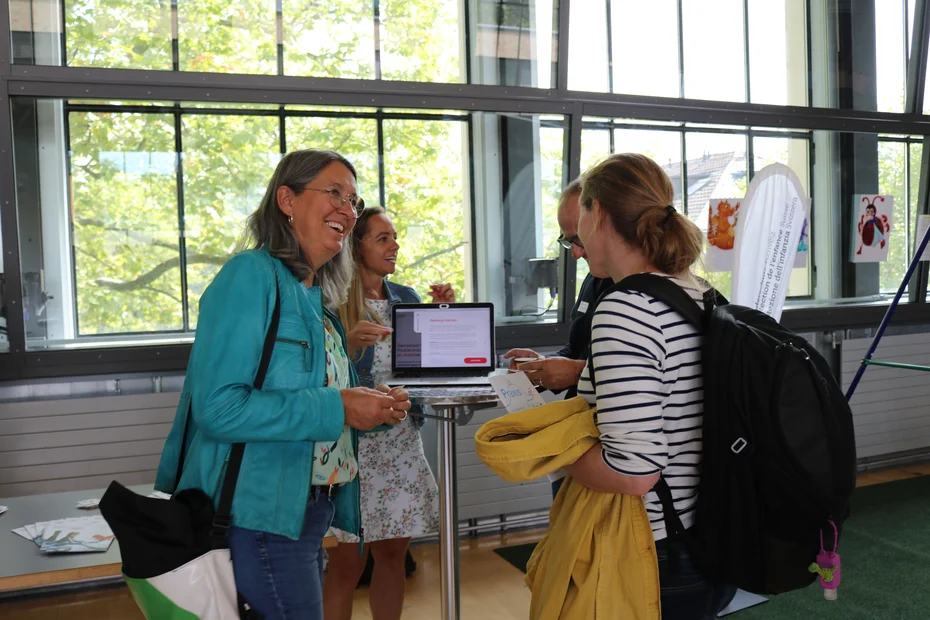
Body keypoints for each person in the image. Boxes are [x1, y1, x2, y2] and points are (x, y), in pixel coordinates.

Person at [154, 149, 411, 620]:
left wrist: (372, 410)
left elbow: (322, 407)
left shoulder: (315, 301)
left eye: (353, 200)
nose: (347, 210)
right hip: (258, 519)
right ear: (286, 200)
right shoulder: (250, 277)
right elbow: (219, 409)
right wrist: (339, 407)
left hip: (306, 512)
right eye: (334, 193)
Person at [563, 153, 735, 619]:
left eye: (578, 218)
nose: (575, 234)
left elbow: (634, 471)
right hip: (708, 538)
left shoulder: (626, 309)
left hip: (656, 554)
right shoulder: (697, 291)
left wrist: (550, 451)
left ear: (597, 212)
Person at [324, 207, 448, 620]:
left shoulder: (407, 299)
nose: (394, 245)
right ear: (356, 246)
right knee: (348, 563)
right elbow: (322, 376)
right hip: (353, 445)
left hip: (399, 442)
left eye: (394, 237)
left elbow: (427, 365)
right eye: (382, 238)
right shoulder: (333, 301)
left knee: (393, 555)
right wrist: (350, 342)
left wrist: (440, 315)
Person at [502, 179, 611, 496]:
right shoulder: (594, 278)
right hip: (577, 433)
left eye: (578, 239)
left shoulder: (643, 293)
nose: (576, 253)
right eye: (568, 242)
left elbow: (642, 373)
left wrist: (575, 371)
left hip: (610, 448)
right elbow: (581, 346)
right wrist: (545, 365)